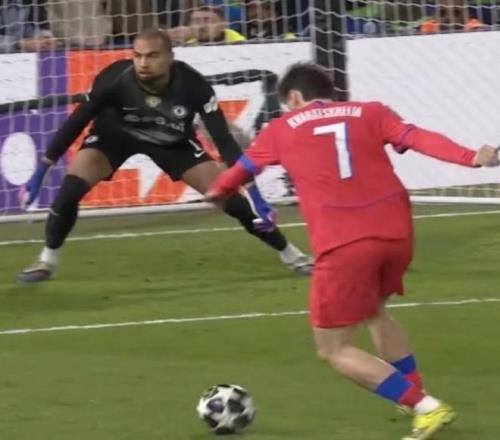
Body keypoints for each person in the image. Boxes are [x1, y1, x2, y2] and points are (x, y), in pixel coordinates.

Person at [206, 62, 500, 440]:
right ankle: (411, 391)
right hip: (397, 235)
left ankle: (425, 407)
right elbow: (416, 137)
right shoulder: (371, 111)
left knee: (334, 348)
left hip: (344, 243)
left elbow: (242, 170)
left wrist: (217, 191)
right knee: (374, 311)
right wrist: (470, 156)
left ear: (293, 97)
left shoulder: (281, 128)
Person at [16, 29, 312, 283]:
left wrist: (257, 197)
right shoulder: (115, 77)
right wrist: (41, 173)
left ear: (171, 57)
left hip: (172, 142)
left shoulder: (193, 85)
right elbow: (76, 122)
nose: (143, 63)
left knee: (233, 201)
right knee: (69, 192)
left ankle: (291, 254)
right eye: (137, 55)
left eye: (152, 56)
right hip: (113, 136)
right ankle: (46, 260)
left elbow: (224, 142)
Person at [166, 5, 245, 46]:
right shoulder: (188, 46)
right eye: (196, 21)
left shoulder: (240, 44)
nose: (201, 26)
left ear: (224, 25)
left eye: (207, 20)